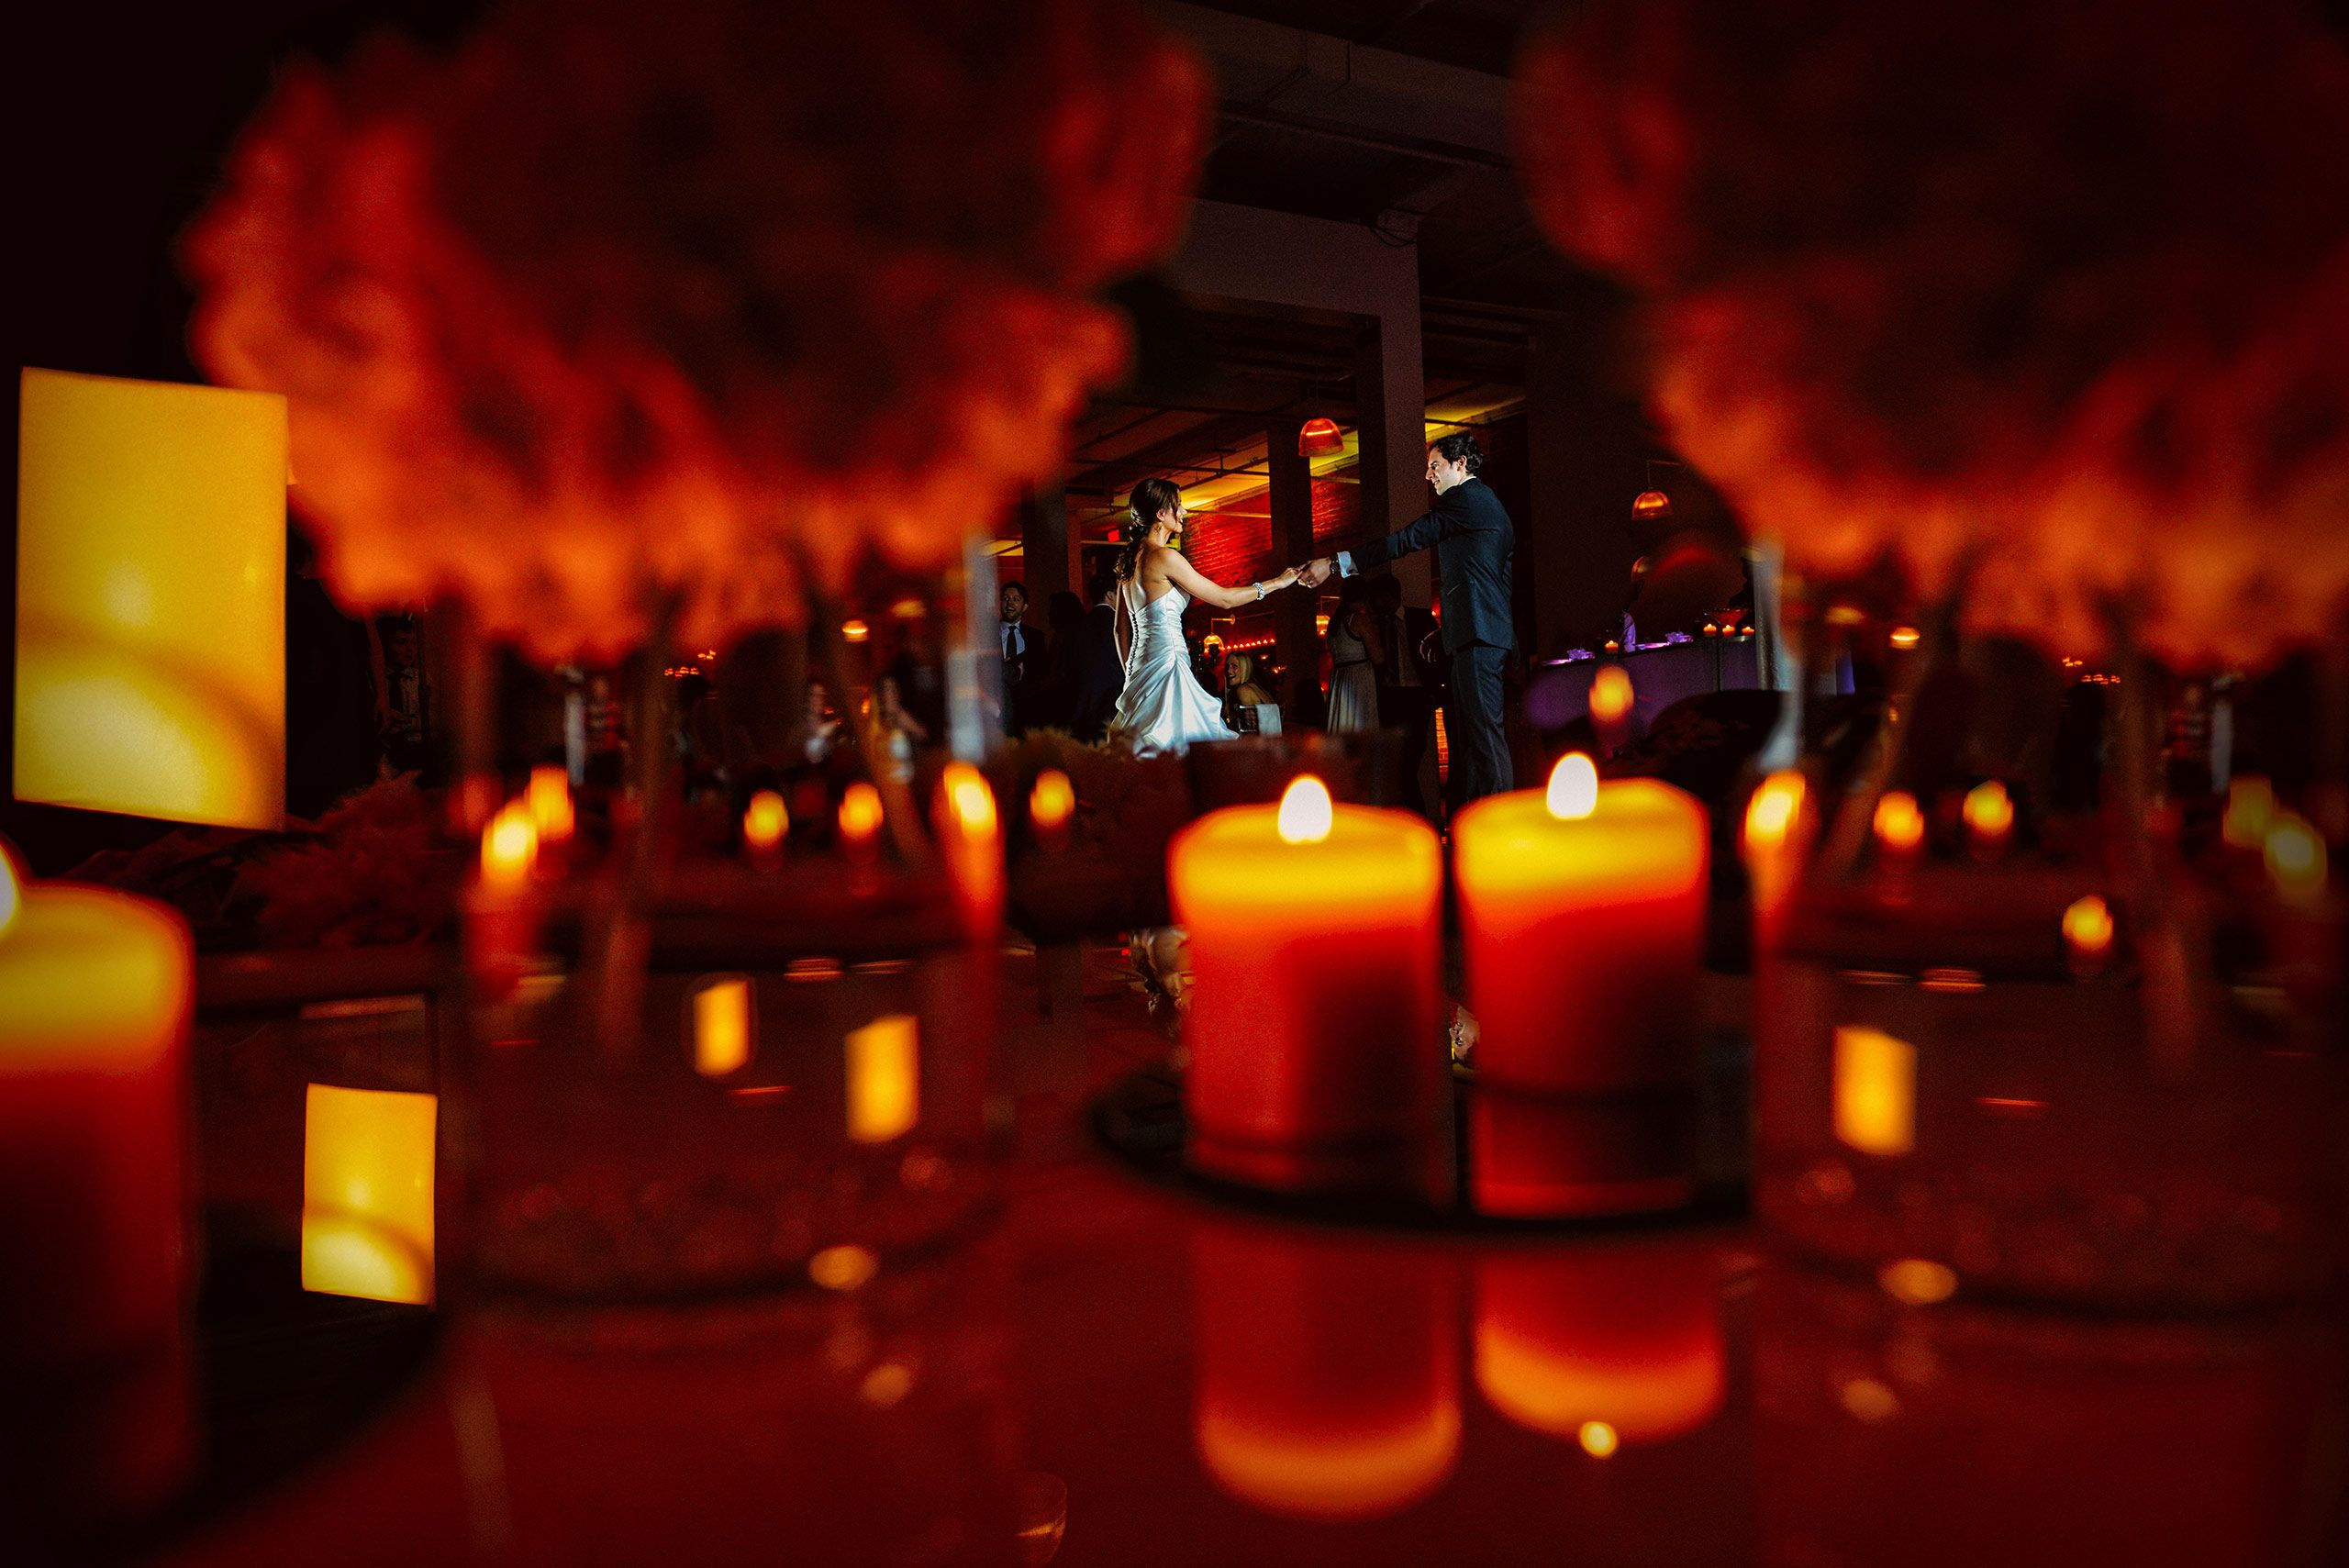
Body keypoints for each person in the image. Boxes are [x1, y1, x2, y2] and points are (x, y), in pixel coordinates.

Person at [1301, 433, 1516, 801]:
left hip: (1479, 638)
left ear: (1460, 465)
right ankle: (1485, 820)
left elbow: (1405, 540)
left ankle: (1500, 825)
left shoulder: (1466, 499)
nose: (1428, 475)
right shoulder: (1483, 505)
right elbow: (1491, 580)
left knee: (1482, 736)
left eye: (1435, 466)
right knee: (1474, 737)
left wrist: (1335, 563)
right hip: (1478, 634)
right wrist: (1449, 628)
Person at [1108, 476, 1302, 755]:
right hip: (1168, 664)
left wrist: (1132, 674)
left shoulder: (1130, 562)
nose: (1184, 512)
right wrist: (1276, 583)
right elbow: (1224, 598)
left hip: (1140, 670)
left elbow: (1119, 630)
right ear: (1161, 514)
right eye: (1179, 506)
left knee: (1146, 749)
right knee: (1184, 749)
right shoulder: (1164, 557)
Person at [1369, 575, 1441, 818]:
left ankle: (1418, 819)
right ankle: (1415, 820)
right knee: (1396, 765)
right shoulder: (1377, 625)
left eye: (1382, 598)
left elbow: (1436, 656)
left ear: (1391, 596)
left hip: (1417, 697)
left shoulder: (1420, 618)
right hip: (1391, 698)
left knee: (1411, 761)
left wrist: (1434, 692)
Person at [1069, 564, 1126, 744]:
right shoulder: (1120, 625)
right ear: (1110, 595)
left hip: (1083, 703)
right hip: (1114, 701)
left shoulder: (1077, 626)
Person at [1323, 575, 1383, 734]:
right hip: (1358, 680)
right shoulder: (1359, 620)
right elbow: (1378, 657)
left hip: (1339, 679)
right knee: (1360, 727)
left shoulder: (1334, 622)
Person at [997, 581, 1038, 738]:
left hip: (1027, 713)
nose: (1010, 603)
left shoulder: (1035, 637)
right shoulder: (988, 635)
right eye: (1006, 598)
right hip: (997, 713)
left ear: (1025, 606)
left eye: (1016, 599)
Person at [1220, 651, 1276, 733]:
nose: (1229, 670)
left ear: (1245, 668)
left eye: (1234, 666)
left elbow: (1251, 729)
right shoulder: (1254, 686)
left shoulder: (1243, 690)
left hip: (1260, 743)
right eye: (1227, 666)